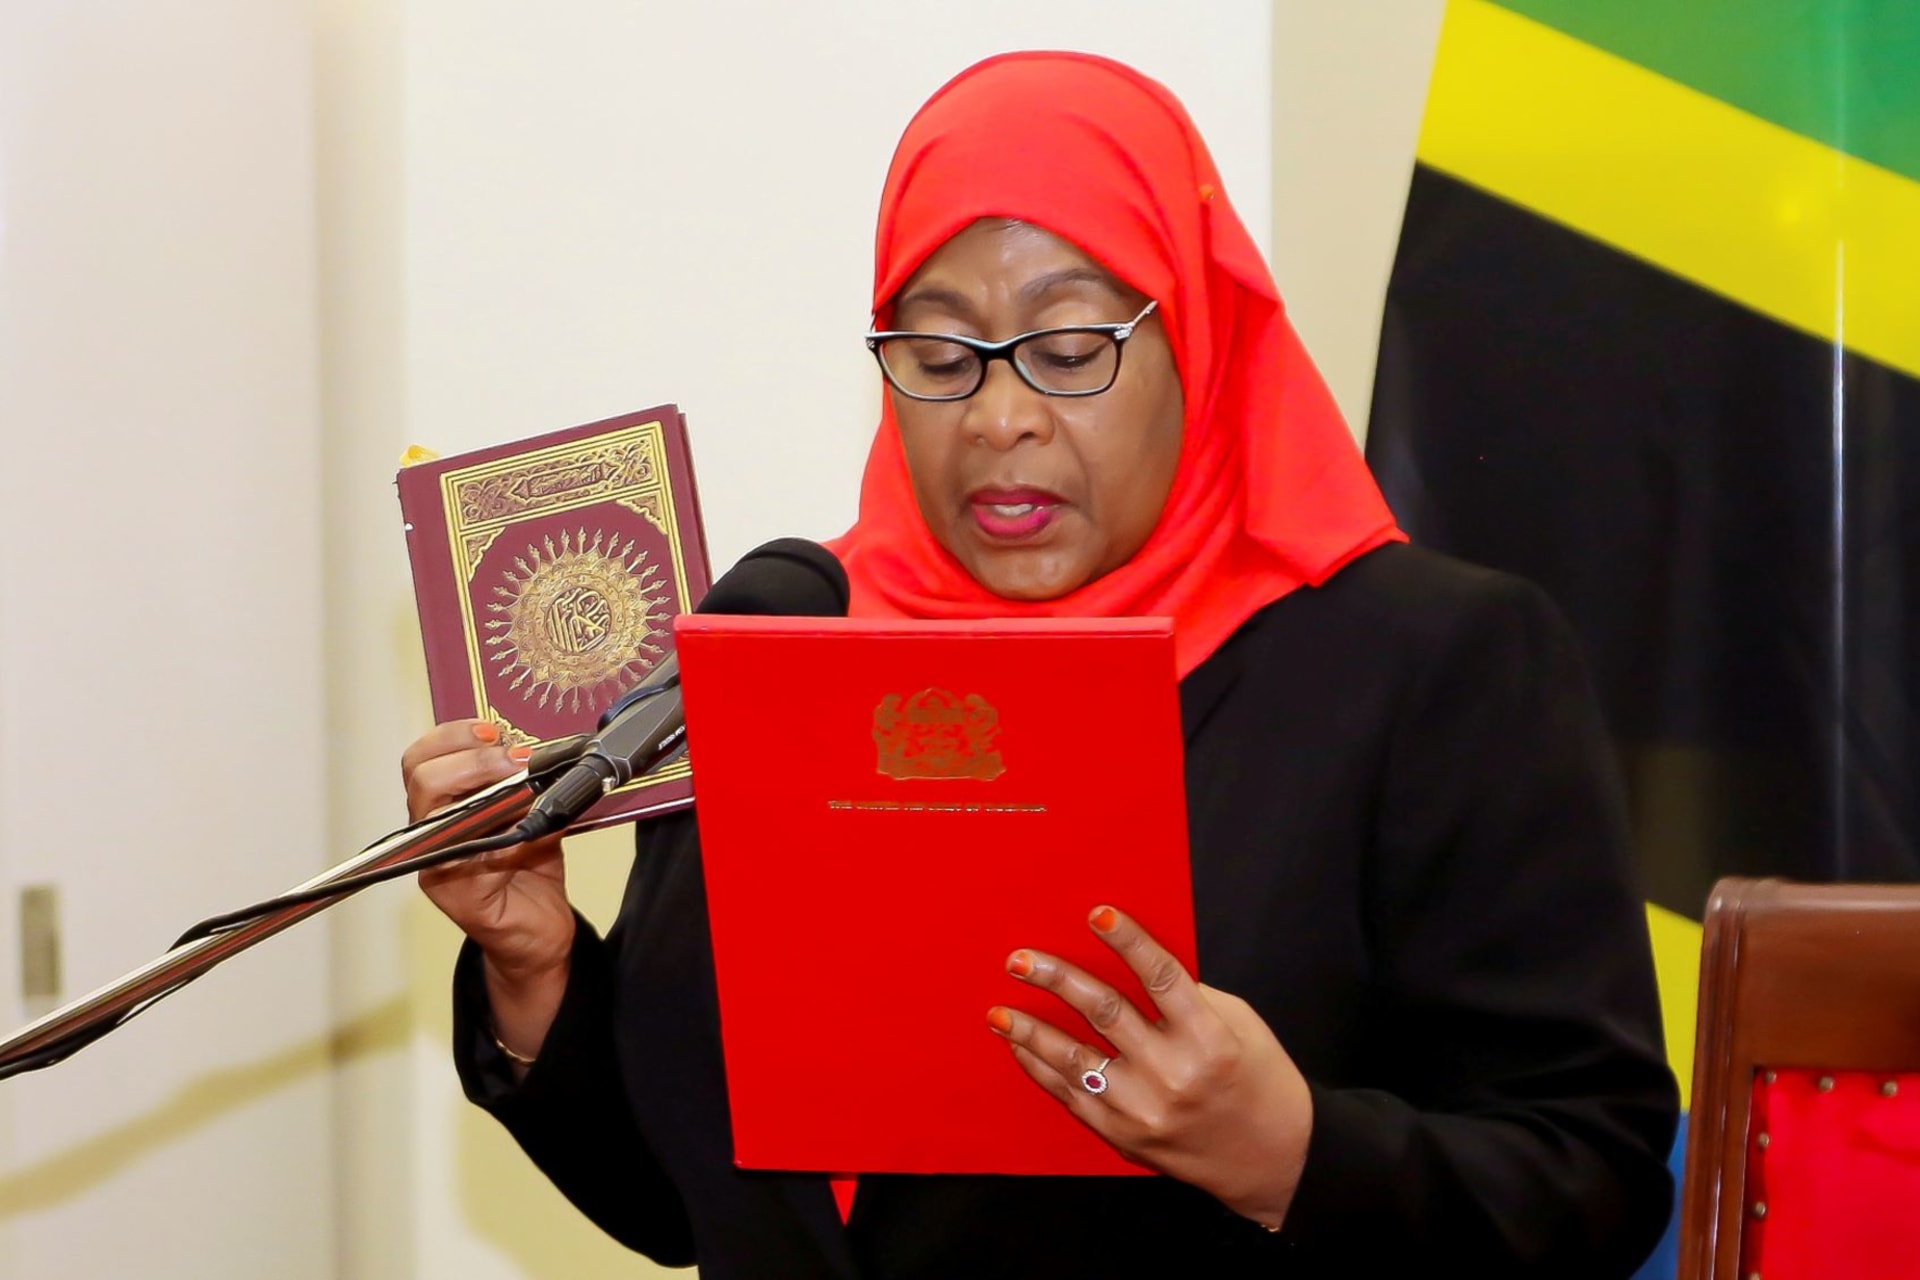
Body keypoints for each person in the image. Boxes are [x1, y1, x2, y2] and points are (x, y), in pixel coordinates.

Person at [402, 51, 1679, 1277]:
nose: (999, 415)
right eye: (940, 354)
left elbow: (1595, 1176)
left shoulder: (1428, 666)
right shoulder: (782, 646)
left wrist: (1290, 1153)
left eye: (1070, 351)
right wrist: (538, 962)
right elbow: (675, 1201)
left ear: (1197, 339)